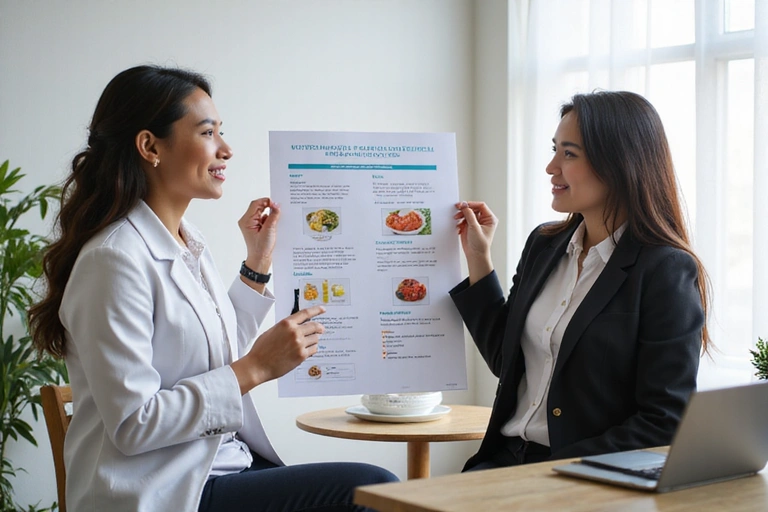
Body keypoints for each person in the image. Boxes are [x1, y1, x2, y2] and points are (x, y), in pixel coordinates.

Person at [29, 65, 397, 512]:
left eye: (221, 132)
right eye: (208, 133)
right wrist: (256, 368)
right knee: (374, 489)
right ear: (150, 147)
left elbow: (213, 356)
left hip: (219, 466)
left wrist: (257, 263)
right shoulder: (113, 259)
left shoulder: (187, 241)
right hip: (163, 490)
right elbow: (133, 424)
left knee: (377, 490)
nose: (226, 149)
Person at [450, 90, 710, 471]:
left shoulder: (665, 270)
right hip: (503, 460)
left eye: (569, 154)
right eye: (554, 150)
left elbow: (664, 421)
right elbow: (508, 359)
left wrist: (557, 468)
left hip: (580, 475)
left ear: (619, 164)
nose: (551, 167)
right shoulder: (543, 244)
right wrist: (478, 257)